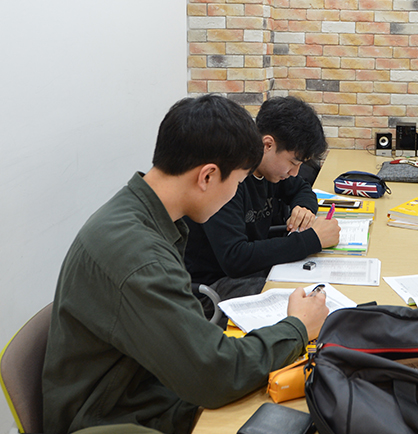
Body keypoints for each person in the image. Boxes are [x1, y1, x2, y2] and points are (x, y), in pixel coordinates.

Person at [42, 94, 329, 434]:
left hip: (150, 386)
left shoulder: (140, 213)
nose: (234, 195)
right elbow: (216, 375)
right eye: (237, 184)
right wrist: (297, 326)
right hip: (119, 418)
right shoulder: (140, 258)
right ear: (207, 177)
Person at [183, 96, 340, 300]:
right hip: (215, 284)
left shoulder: (271, 171)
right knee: (303, 296)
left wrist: (303, 208)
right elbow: (235, 258)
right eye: (293, 163)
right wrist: (312, 240)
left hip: (249, 268)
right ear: (267, 145)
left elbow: (301, 188)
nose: (294, 172)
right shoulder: (227, 179)